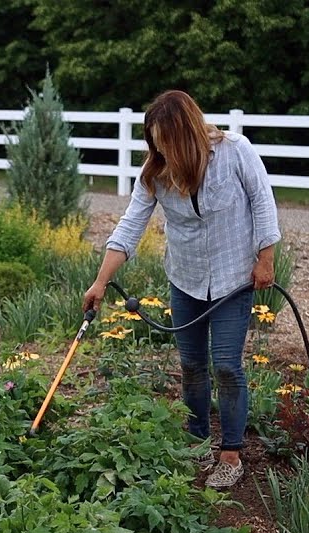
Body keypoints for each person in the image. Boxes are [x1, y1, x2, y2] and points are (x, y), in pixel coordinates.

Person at [83, 90, 281, 488]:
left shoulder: (235, 152)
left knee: (226, 365)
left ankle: (231, 455)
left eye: (167, 143)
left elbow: (263, 203)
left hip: (232, 278)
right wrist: (100, 281)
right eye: (156, 144)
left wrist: (266, 258)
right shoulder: (155, 172)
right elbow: (130, 226)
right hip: (186, 278)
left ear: (188, 134)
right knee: (191, 366)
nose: (162, 152)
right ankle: (197, 443)